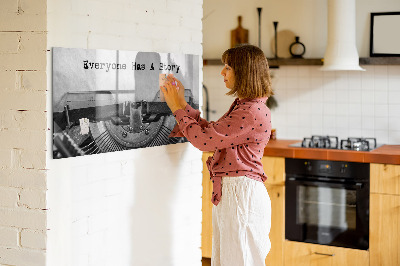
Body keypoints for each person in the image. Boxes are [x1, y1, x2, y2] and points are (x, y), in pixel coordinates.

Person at [160, 44, 273, 266]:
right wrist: (182, 104)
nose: (222, 72)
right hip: (236, 193)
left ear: (244, 71)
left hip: (241, 195)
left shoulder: (250, 111)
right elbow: (212, 133)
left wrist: (176, 107)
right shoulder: (246, 106)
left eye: (228, 67)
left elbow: (204, 141)